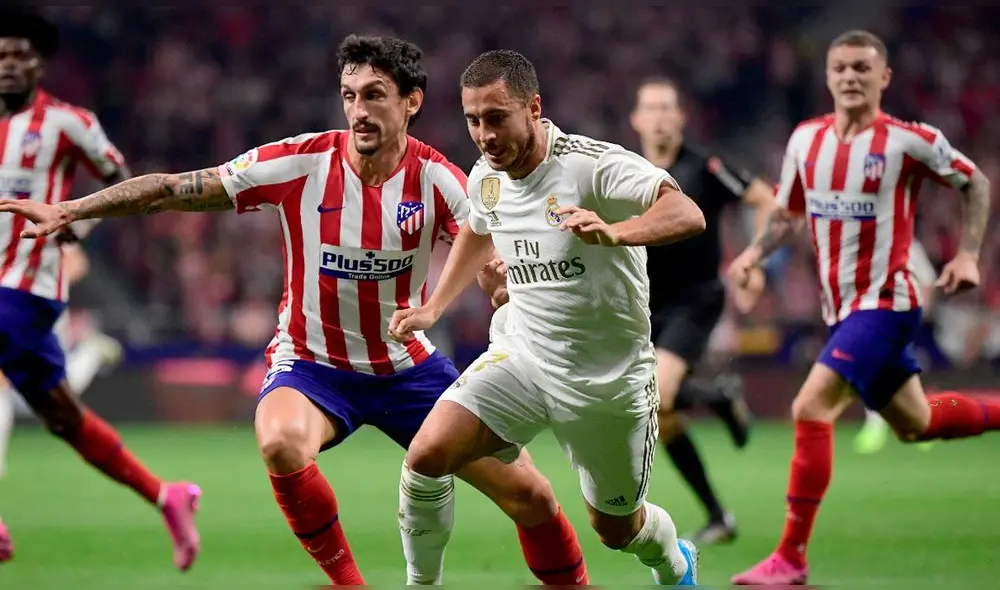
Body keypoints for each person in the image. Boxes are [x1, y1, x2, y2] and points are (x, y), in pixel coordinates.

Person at [0, 35, 590, 586]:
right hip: (313, 366)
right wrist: (73, 209)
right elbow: (170, 189)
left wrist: (500, 285)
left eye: (375, 96)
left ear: (412, 102)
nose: (358, 111)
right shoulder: (300, 163)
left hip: (409, 369)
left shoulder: (439, 179)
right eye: (350, 96)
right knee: (280, 440)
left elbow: (487, 245)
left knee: (531, 498)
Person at [388, 49, 706, 585]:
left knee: (615, 527)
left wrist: (615, 230)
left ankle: (675, 562)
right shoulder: (487, 176)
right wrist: (434, 305)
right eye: (473, 120)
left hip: (606, 382)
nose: (484, 135)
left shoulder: (592, 165)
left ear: (533, 108)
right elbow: (479, 226)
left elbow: (686, 212)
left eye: (497, 118)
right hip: (525, 360)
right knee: (427, 456)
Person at [726, 30, 999, 585]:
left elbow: (975, 183)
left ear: (884, 78)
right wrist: (754, 254)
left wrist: (969, 255)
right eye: (841, 68)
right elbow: (786, 213)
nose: (850, 77)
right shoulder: (806, 140)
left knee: (810, 408)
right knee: (916, 424)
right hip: (842, 309)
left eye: (861, 68)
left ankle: (791, 558)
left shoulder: (907, 141)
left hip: (889, 302)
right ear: (827, 77)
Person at [0, 9, 199, 569]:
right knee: (63, 417)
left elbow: (120, 180)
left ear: (38, 62)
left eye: (19, 54)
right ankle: (167, 496)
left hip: (28, 283)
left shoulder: (68, 122)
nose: (9, 65)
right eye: (1, 55)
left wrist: (78, 225)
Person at [628, 76, 774, 543]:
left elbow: (764, 198)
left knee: (661, 397)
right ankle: (717, 514)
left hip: (696, 299)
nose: (660, 116)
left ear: (681, 117)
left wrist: (754, 258)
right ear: (636, 120)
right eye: (651, 107)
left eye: (668, 107)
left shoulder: (705, 167)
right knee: (662, 418)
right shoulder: (626, 172)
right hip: (645, 305)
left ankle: (715, 396)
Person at [0, 243, 123, 478]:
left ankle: (91, 350)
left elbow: (78, 262)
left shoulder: (36, 213)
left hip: (36, 307)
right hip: (12, 308)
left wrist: (44, 276)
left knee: (56, 389)